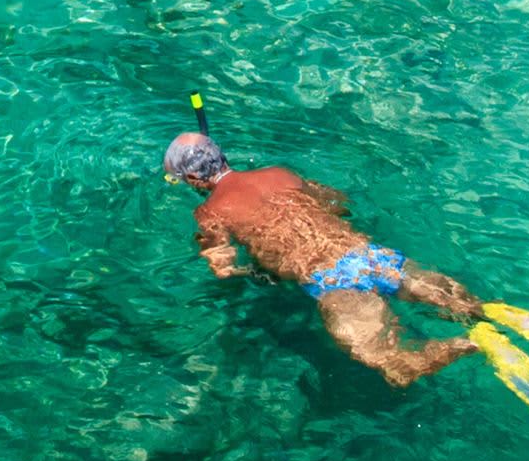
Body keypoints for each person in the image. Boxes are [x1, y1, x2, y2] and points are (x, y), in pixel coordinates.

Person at [164, 131, 481, 385]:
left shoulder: (210, 212)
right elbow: (337, 204)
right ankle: (492, 323)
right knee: (466, 305)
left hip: (332, 281)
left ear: (192, 179)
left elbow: (222, 267)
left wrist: (257, 270)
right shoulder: (280, 173)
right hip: (369, 255)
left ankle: (472, 345)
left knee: (390, 363)